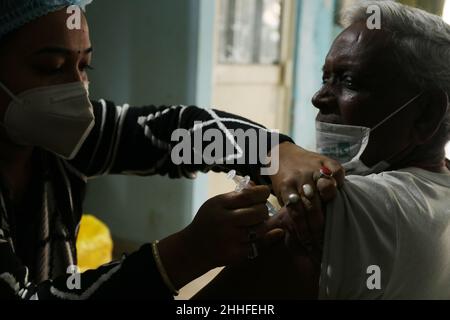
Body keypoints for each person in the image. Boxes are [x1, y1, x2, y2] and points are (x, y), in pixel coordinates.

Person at [0, 0, 344, 299]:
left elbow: (175, 132)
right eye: (50, 68)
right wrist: (184, 253)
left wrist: (274, 153)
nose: (77, 91)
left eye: (83, 66)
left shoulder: (58, 139)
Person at [194, 1, 450, 300]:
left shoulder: (323, 213)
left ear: (426, 114)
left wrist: (188, 250)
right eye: (325, 78)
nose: (318, 98)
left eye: (349, 81)